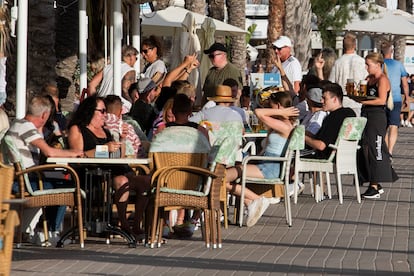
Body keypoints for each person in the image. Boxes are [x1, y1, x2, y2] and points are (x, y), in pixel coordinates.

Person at [67, 95, 151, 239]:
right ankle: (124, 225)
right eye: (102, 111)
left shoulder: (104, 130)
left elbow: (119, 155)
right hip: (93, 173)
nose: (105, 114)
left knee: (147, 182)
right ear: (90, 111)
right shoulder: (78, 129)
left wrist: (122, 139)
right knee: (122, 182)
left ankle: (137, 225)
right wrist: (104, 149)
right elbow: (78, 156)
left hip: (113, 169)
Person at [4, 96, 84, 237]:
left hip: (17, 179)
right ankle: (50, 231)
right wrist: (74, 153)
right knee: (65, 185)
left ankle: (43, 229)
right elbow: (49, 151)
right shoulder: (26, 126)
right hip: (23, 182)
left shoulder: (17, 124)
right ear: (44, 115)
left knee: (60, 181)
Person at [224, 92, 299, 227]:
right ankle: (251, 204)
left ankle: (257, 200)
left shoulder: (285, 125)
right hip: (266, 164)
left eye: (270, 106)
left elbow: (258, 112)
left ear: (277, 106)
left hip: (270, 167)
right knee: (222, 179)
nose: (268, 108)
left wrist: (282, 112)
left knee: (221, 176)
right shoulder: (281, 124)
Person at [356, 52, 398, 199]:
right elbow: (364, 94)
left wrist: (362, 101)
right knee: (366, 148)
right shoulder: (370, 79)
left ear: (378, 65)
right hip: (367, 115)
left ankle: (374, 185)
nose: (366, 67)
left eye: (368, 64)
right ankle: (374, 183)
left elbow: (381, 101)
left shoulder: (382, 79)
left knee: (376, 148)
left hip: (376, 117)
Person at [305, 82, 356, 159]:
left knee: (292, 158)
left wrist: (300, 136)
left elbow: (321, 145)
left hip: (327, 158)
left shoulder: (333, 117)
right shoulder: (350, 114)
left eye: (324, 98)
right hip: (347, 157)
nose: (321, 101)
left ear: (335, 99)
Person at [88, 45, 138, 113]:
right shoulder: (130, 70)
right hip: (118, 106)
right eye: (136, 58)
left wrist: (96, 101)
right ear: (131, 56)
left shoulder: (108, 67)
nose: (135, 61)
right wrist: (132, 103)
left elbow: (91, 84)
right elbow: (125, 89)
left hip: (102, 104)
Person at [381, 41, 409, 156]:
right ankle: (390, 151)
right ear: (391, 51)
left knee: (384, 126)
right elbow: (405, 84)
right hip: (396, 98)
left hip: (382, 98)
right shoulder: (399, 65)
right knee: (393, 125)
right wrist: (407, 97)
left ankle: (385, 149)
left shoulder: (378, 64)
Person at [328, 32, 366, 116]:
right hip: (357, 101)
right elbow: (366, 80)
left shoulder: (338, 62)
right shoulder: (361, 62)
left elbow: (331, 83)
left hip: (342, 101)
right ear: (355, 45)